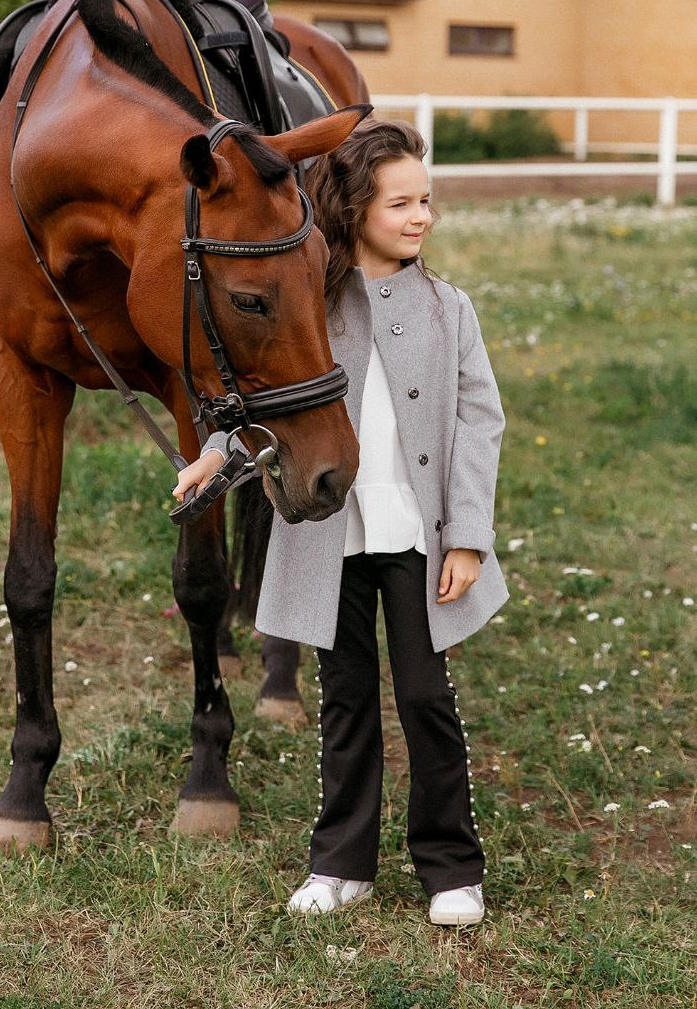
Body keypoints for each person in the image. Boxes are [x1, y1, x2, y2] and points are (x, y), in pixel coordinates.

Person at [172, 118, 509, 925]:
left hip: (420, 542)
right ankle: (341, 862)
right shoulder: (312, 304)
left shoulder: (447, 308)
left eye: (425, 200)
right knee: (345, 697)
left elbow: (480, 420)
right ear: (355, 209)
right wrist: (217, 450)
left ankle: (451, 867)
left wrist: (466, 534)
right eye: (401, 204)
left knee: (426, 696)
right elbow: (262, 395)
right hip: (332, 536)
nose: (420, 216)